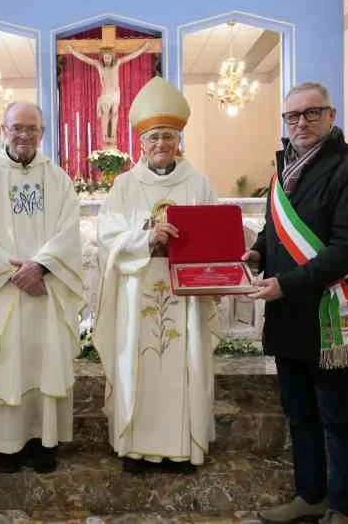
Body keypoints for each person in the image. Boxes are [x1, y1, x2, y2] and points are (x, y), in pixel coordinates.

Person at [244, 82, 348, 524]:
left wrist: (285, 284)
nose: (301, 123)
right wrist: (258, 253)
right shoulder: (284, 168)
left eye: (311, 113)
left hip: (331, 316)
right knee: (300, 414)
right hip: (288, 314)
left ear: (331, 115)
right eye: (293, 116)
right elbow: (274, 230)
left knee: (336, 417)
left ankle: (341, 506)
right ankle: (310, 496)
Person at [94, 76, 217, 474]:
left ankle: (184, 448)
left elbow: (216, 235)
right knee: (139, 364)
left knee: (185, 365)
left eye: (168, 136)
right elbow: (106, 235)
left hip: (187, 292)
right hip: (138, 287)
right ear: (141, 143)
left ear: (179, 139)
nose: (161, 143)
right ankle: (135, 449)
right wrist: (146, 237)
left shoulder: (198, 183)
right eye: (153, 137)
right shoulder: (124, 185)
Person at [0, 101, 84, 473]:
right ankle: (8, 444)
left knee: (46, 361)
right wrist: (13, 271)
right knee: (8, 362)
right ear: (4, 130)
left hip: (47, 289)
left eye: (32, 128)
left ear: (42, 133)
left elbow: (69, 231)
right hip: (3, 290)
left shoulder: (58, 179)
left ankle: (45, 443)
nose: (24, 135)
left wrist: (42, 266)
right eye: (17, 127)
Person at [66, 42, 149, 145]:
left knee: (114, 114)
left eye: (109, 57)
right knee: (105, 115)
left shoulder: (117, 63)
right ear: (102, 58)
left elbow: (131, 56)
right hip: (106, 94)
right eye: (105, 57)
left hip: (116, 94)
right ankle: (105, 136)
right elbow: (85, 59)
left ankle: (113, 136)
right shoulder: (99, 66)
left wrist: (143, 48)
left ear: (112, 57)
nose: (107, 59)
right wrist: (72, 51)